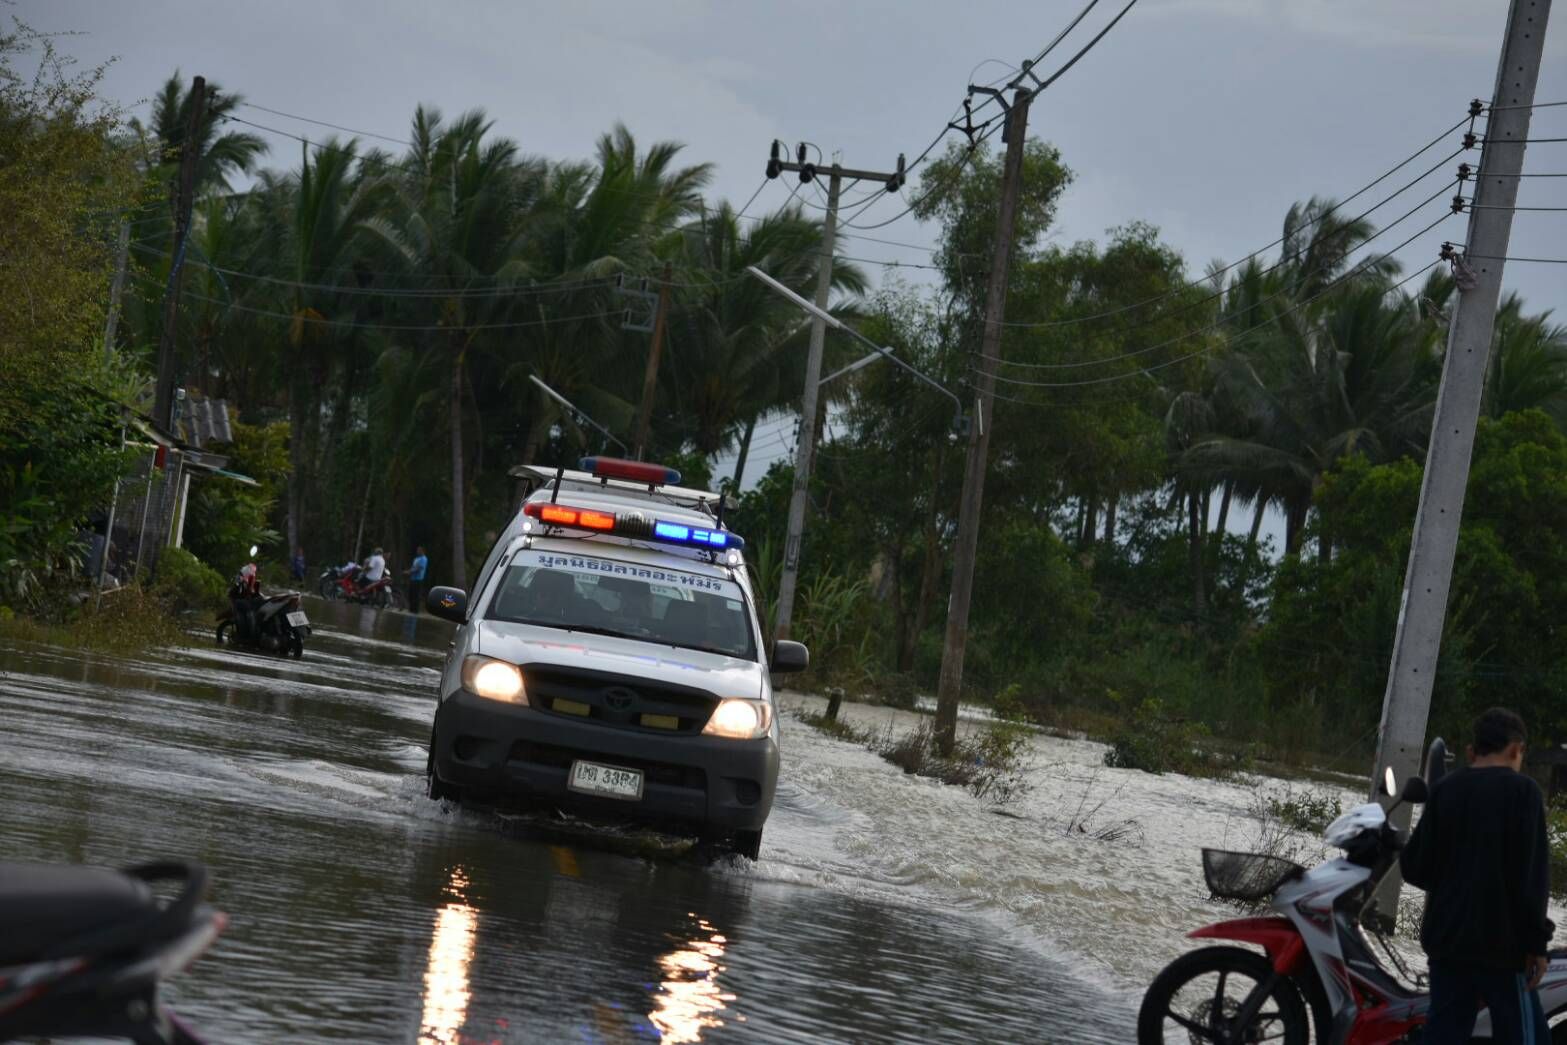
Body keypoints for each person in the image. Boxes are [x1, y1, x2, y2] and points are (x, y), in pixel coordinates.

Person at [1400, 707, 1553, 1044]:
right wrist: (1537, 944)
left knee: (1442, 1036)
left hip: (1448, 946)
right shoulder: (1524, 792)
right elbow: (1531, 880)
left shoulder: (1445, 789)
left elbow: (1414, 867)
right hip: (1503, 950)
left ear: (1473, 751)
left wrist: (1455, 884)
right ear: (1516, 750)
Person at [404, 546, 429, 615]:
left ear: (422, 551)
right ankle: (411, 609)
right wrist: (408, 571)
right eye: (417, 550)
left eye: (419, 550)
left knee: (416, 594)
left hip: (418, 579)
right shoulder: (416, 559)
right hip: (412, 578)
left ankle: (415, 610)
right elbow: (413, 567)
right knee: (411, 594)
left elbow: (419, 568)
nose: (417, 551)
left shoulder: (424, 559)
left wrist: (409, 572)